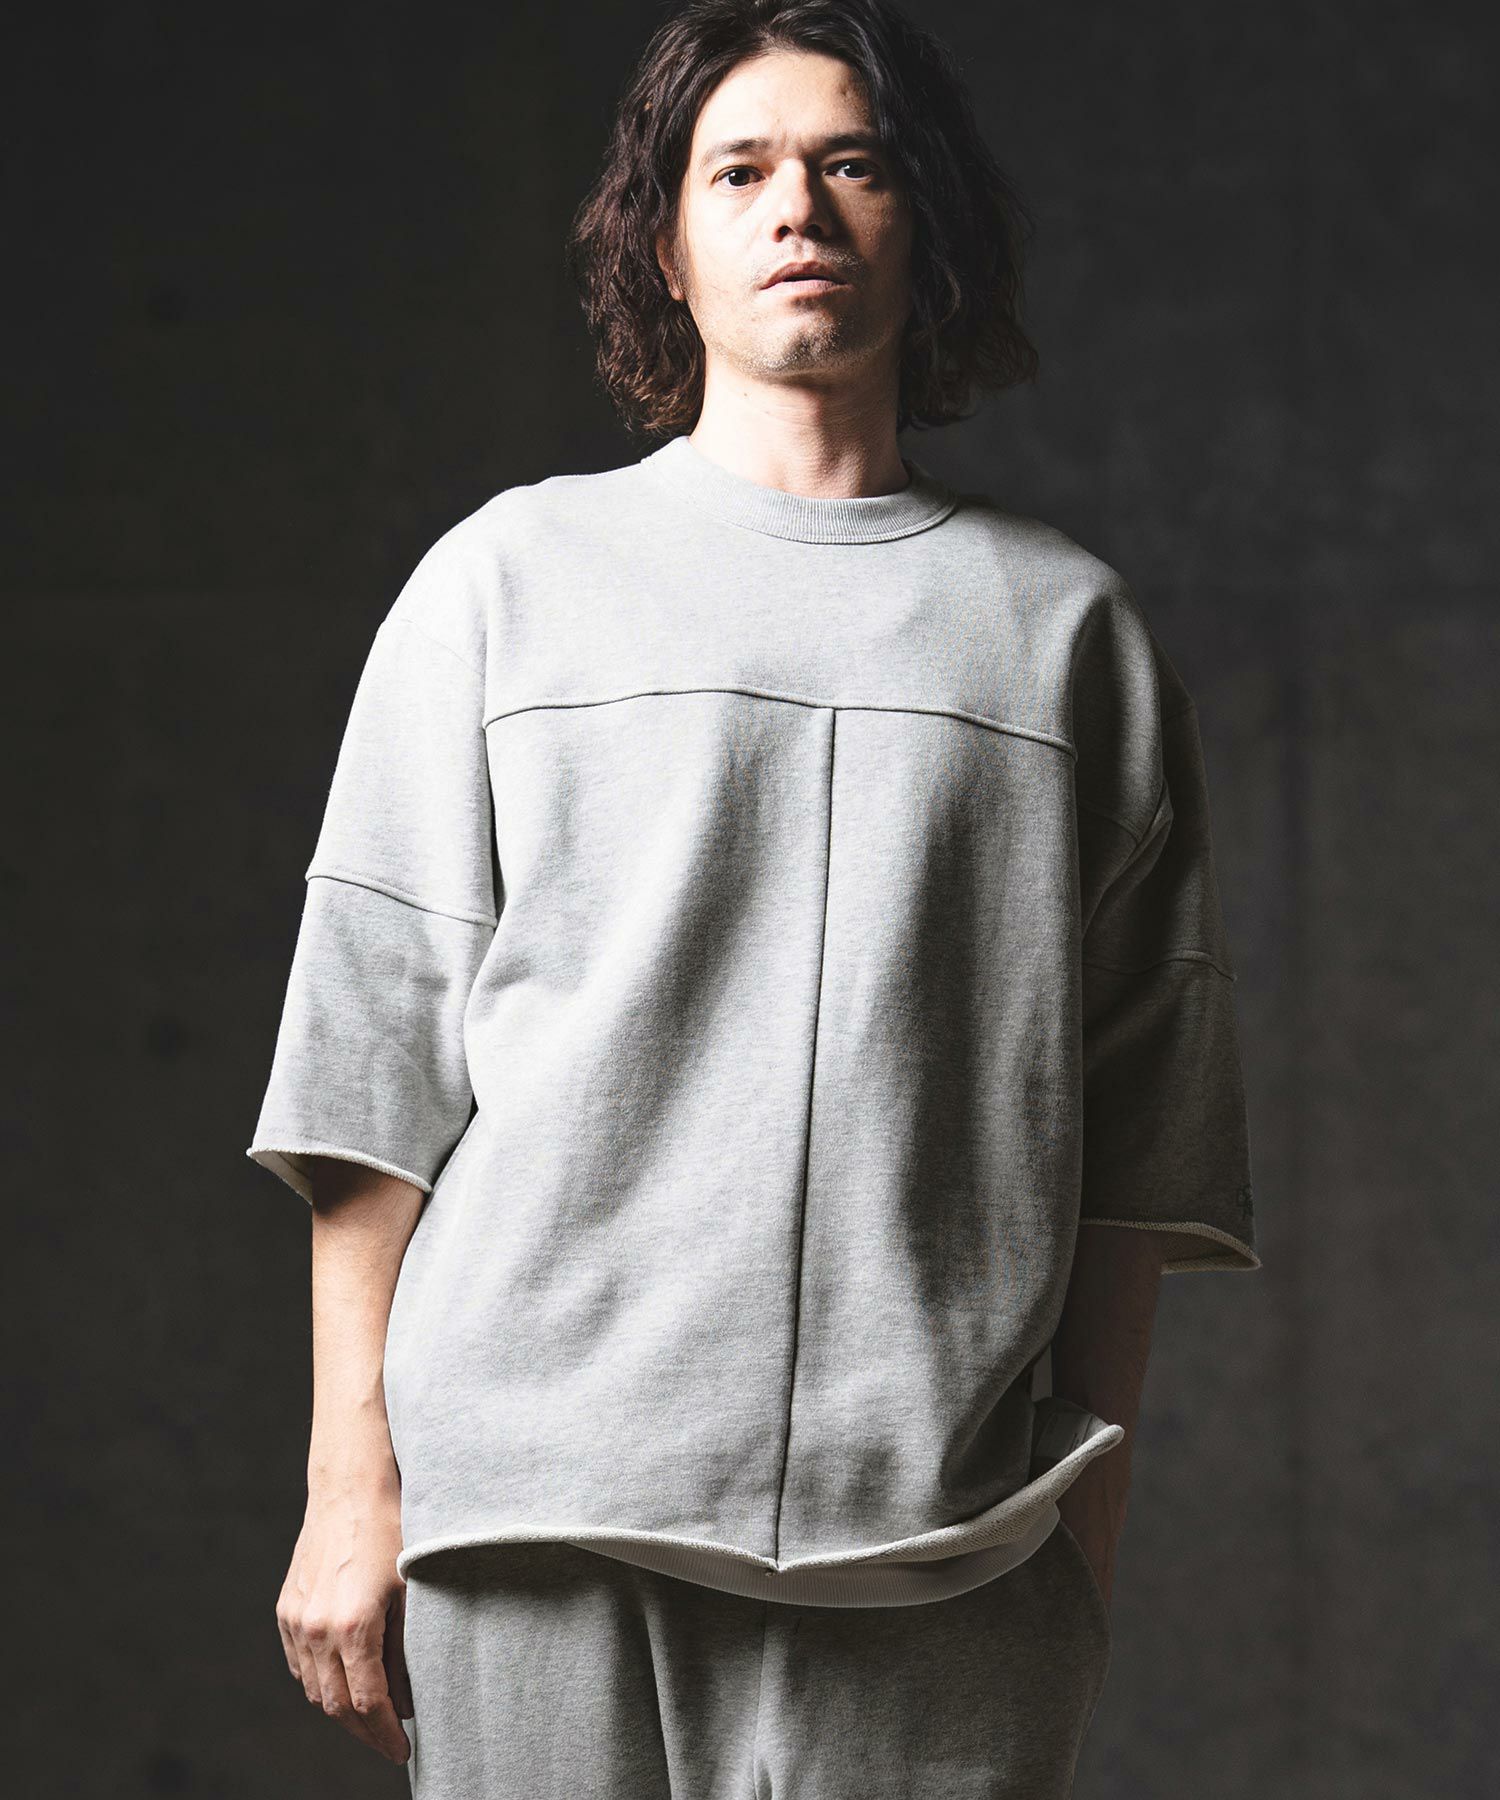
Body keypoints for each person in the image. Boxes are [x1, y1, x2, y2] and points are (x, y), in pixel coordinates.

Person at [249, 1, 1260, 1793]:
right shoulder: (508, 583)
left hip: (948, 1548)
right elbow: (368, 1084)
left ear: (924, 227)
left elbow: (1139, 1149)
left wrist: (1078, 1553)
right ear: (668, 244)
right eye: (739, 171)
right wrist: (352, 1489)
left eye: (852, 163)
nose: (798, 205)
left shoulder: (1064, 635)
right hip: (539, 1520)